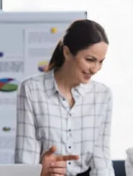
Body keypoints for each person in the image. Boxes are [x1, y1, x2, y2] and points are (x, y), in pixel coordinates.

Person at [15, 19, 114, 176]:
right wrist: (39, 171)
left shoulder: (102, 95)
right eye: (89, 60)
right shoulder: (32, 89)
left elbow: (101, 157)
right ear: (67, 52)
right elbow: (25, 159)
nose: (95, 68)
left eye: (100, 62)